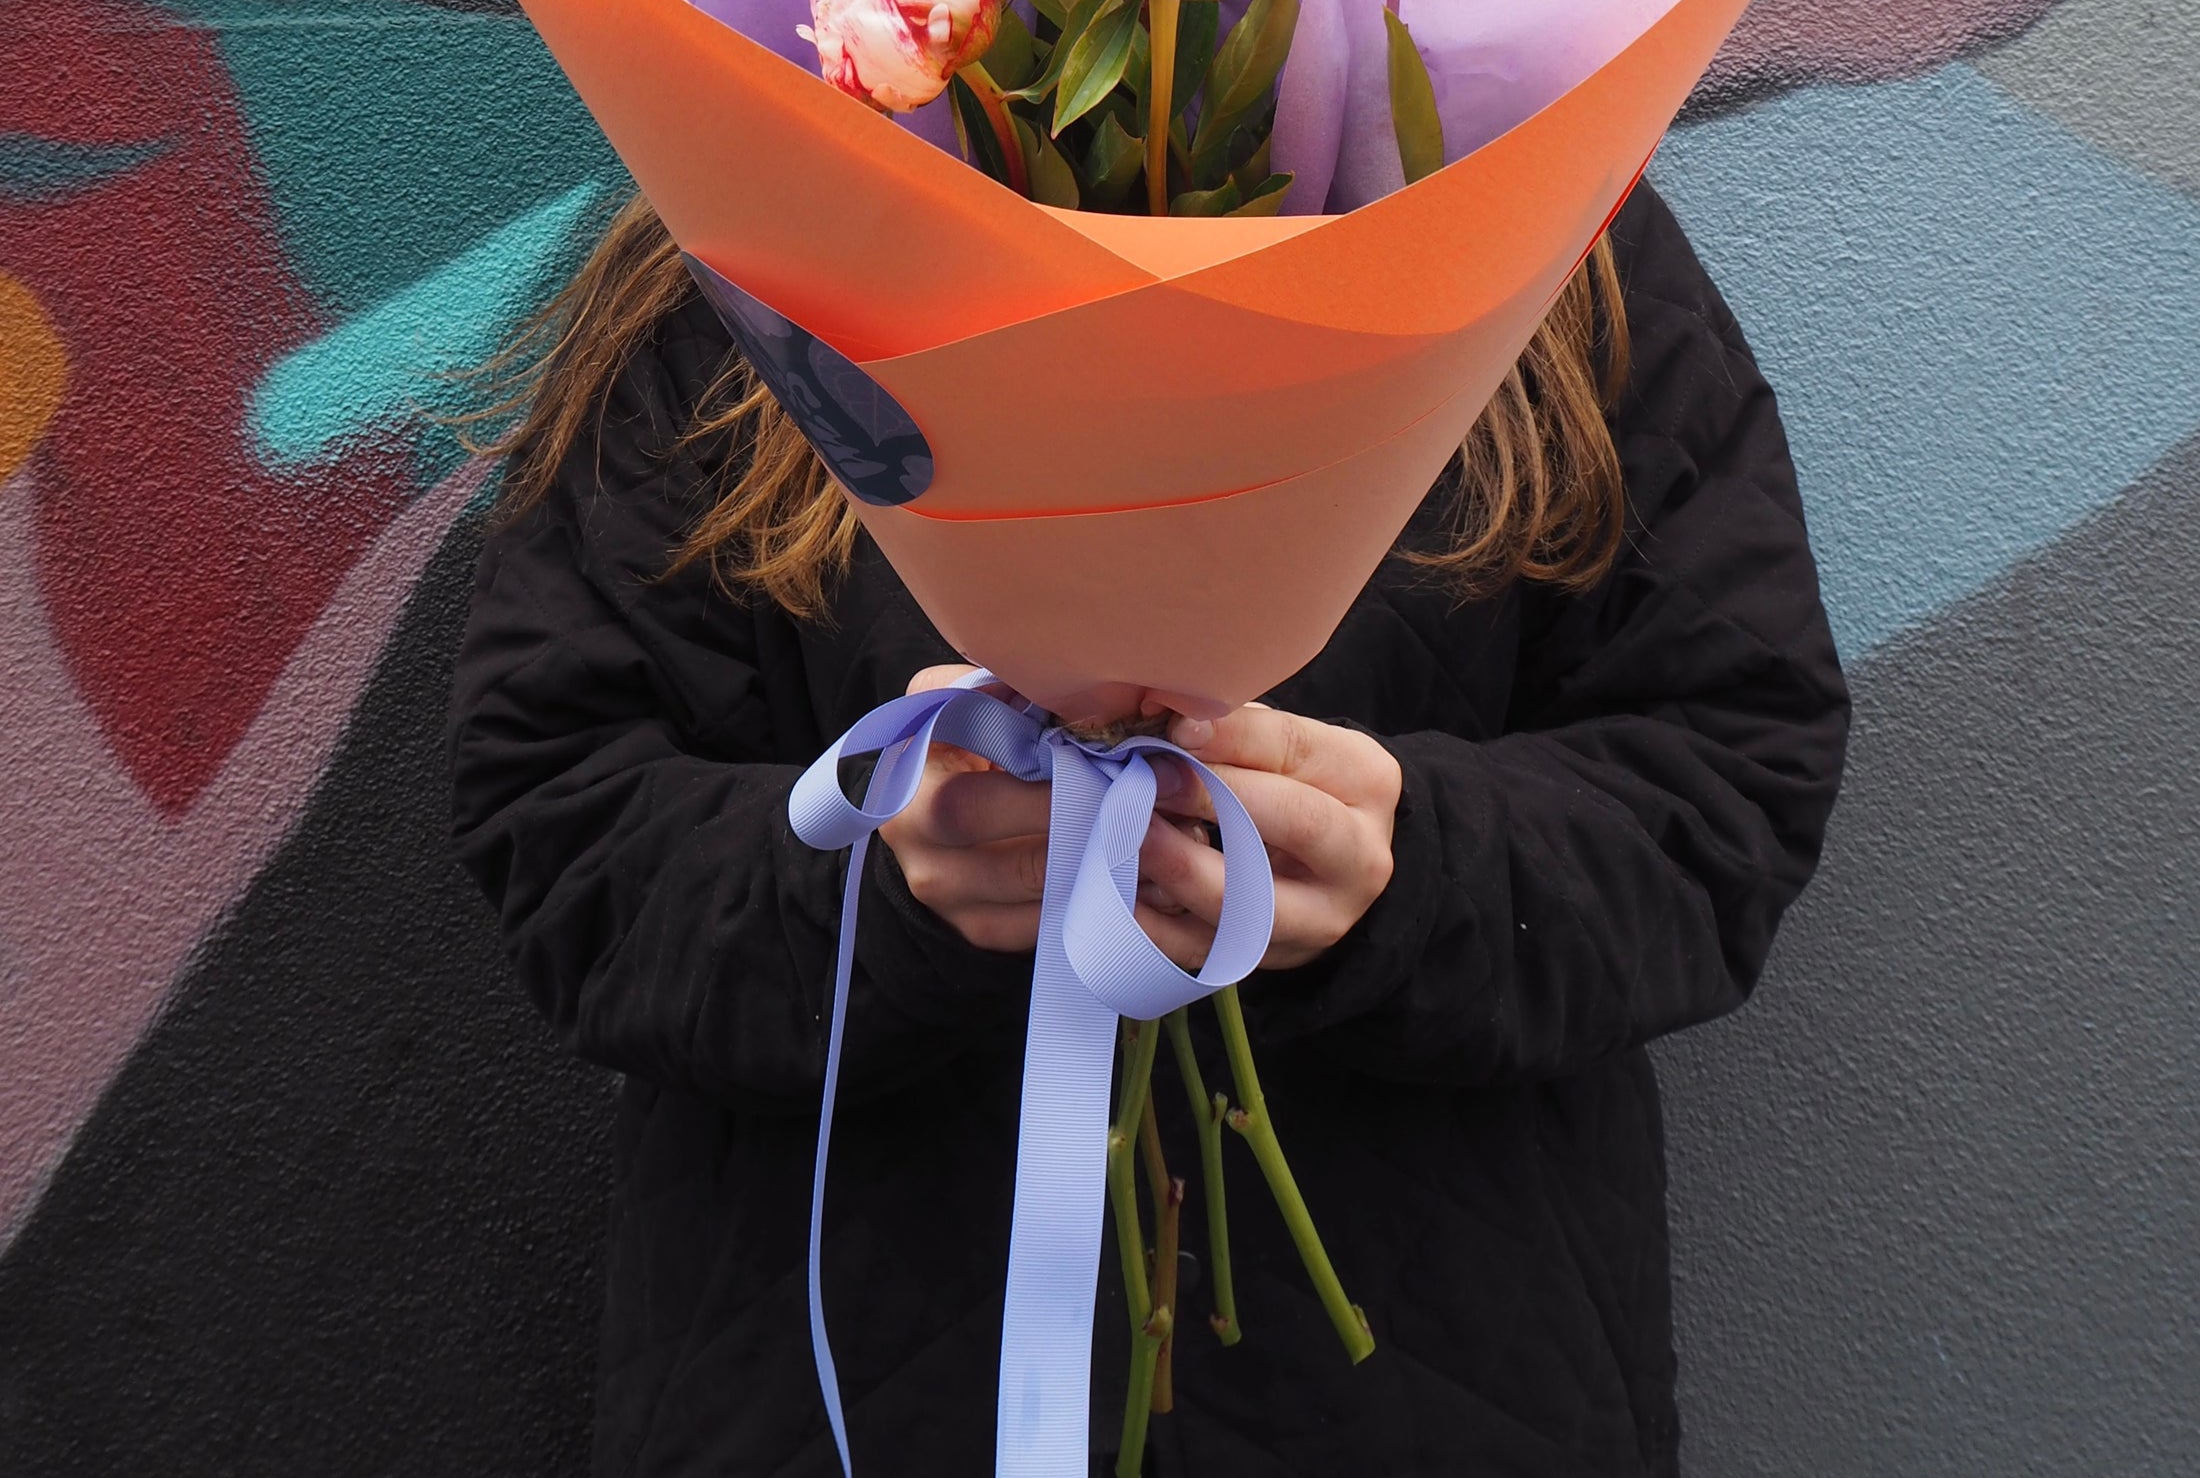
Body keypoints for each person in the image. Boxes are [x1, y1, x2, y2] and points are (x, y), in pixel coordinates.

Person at [449, 180, 1847, 1477]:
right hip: (849, 1397)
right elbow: (561, 812)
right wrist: (869, 884)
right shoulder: (751, 237)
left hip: (1431, 1389)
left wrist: (1412, 871)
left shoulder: (1545, 224)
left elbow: (1730, 769)